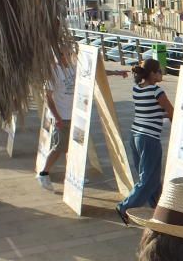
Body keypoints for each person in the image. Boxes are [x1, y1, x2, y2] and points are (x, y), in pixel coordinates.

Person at [37, 44, 128, 191]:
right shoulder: (53, 72)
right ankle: (43, 173)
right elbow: (48, 98)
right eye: (65, 53)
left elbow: (94, 72)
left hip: (76, 114)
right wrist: (57, 117)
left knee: (74, 146)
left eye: (69, 53)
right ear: (59, 55)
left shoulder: (74, 68)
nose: (69, 55)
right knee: (59, 146)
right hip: (61, 117)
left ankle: (74, 174)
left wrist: (117, 72)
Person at [116, 59, 174, 225]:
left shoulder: (136, 89)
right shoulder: (157, 90)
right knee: (148, 179)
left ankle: (157, 209)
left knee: (151, 178)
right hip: (149, 138)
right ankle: (124, 207)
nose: (161, 74)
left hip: (135, 135)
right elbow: (171, 112)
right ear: (153, 73)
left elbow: (150, 112)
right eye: (160, 71)